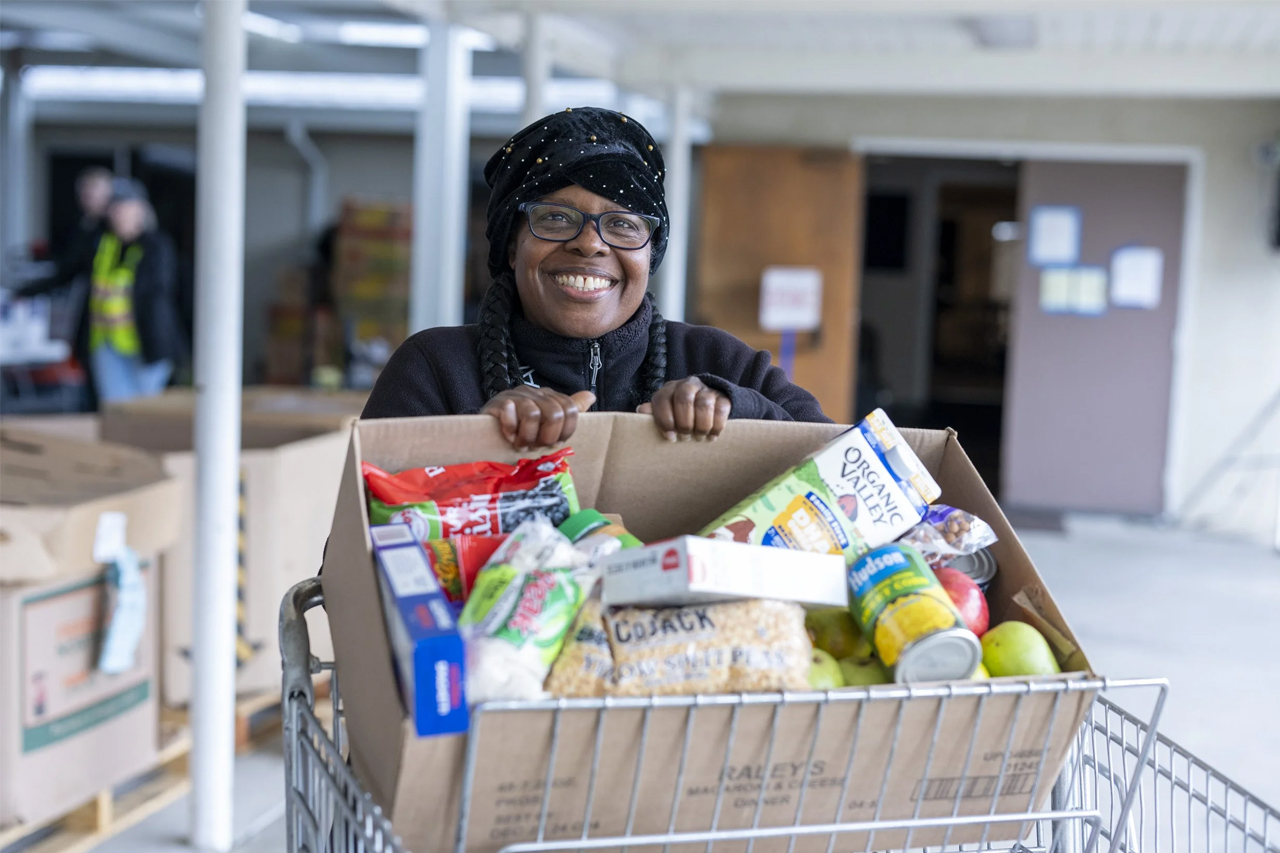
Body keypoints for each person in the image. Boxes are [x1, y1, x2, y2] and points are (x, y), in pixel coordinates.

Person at [363, 107, 829, 447]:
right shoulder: (435, 369)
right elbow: (355, 544)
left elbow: (853, 483)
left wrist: (741, 409)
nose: (590, 244)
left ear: (650, 253)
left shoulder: (723, 363)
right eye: (555, 218)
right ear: (511, 245)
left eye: (623, 224)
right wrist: (473, 443)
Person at [19, 178, 187, 404]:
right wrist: (23, 292)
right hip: (105, 342)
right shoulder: (100, 242)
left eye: (124, 206)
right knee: (114, 408)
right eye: (113, 207)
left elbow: (159, 291)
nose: (118, 213)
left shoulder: (156, 245)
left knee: (144, 409)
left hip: (146, 342)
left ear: (140, 209)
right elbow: (66, 271)